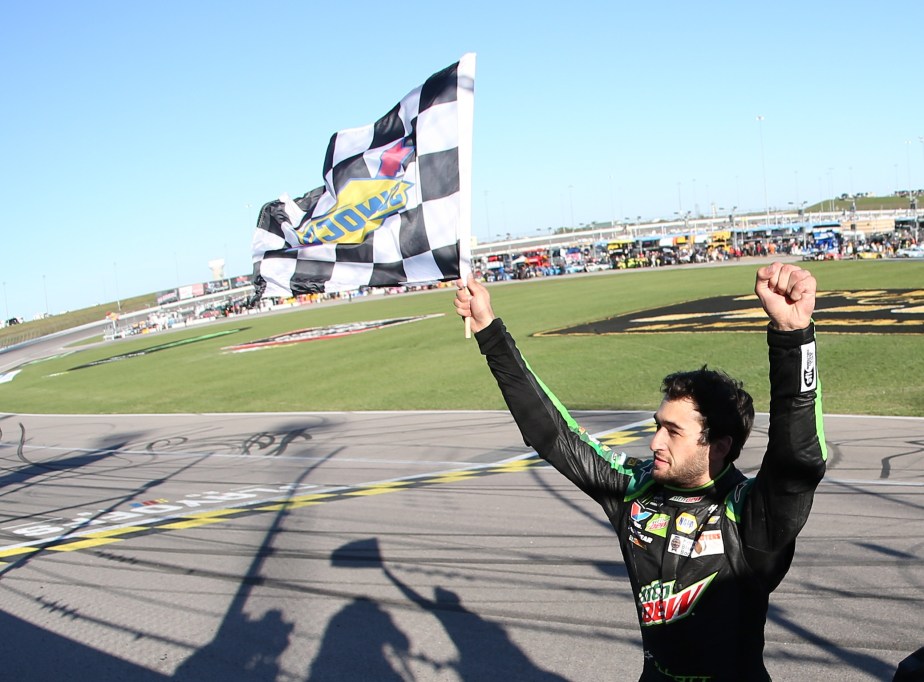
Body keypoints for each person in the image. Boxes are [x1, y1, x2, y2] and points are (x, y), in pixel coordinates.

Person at [453, 262, 826, 681]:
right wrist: (488, 329)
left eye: (672, 432)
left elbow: (799, 459)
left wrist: (793, 338)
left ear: (719, 446)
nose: (654, 443)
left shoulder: (753, 515)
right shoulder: (636, 488)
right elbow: (552, 434)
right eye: (656, 426)